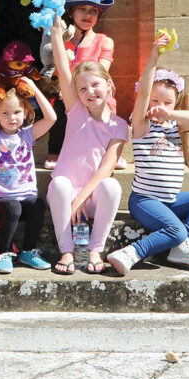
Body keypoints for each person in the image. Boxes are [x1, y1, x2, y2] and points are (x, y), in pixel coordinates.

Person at [106, 36, 189, 276]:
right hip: (145, 201)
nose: (159, 105)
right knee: (175, 230)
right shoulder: (142, 125)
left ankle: (182, 248)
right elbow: (145, 91)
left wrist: (170, 114)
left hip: (170, 201)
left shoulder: (173, 125)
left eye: (167, 102)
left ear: (174, 104)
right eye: (155, 101)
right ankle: (131, 253)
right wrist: (154, 56)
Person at [46, 15, 128, 276]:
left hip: (90, 197)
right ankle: (66, 250)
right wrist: (56, 34)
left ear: (109, 85)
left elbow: (106, 169)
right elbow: (62, 67)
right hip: (65, 193)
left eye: (95, 85)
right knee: (58, 183)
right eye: (82, 89)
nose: (89, 92)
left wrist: (81, 199)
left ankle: (95, 249)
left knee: (112, 185)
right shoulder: (76, 112)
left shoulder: (119, 126)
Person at [0, 76, 56, 275]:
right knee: (13, 206)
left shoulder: (27, 135)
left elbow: (52, 118)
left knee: (37, 204)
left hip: (25, 196)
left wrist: (35, 89)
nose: (12, 117)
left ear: (26, 112)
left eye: (17, 112)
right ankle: (4, 253)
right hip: (1, 202)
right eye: (5, 113)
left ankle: (28, 252)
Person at [45, 0, 116, 169]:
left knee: (102, 101)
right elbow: (58, 71)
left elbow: (102, 71)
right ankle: (55, 150)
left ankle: (110, 151)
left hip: (95, 89)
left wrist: (84, 89)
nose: (88, 14)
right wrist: (65, 88)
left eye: (93, 11)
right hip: (68, 92)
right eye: (82, 9)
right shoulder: (63, 42)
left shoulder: (104, 41)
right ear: (71, 13)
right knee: (59, 102)